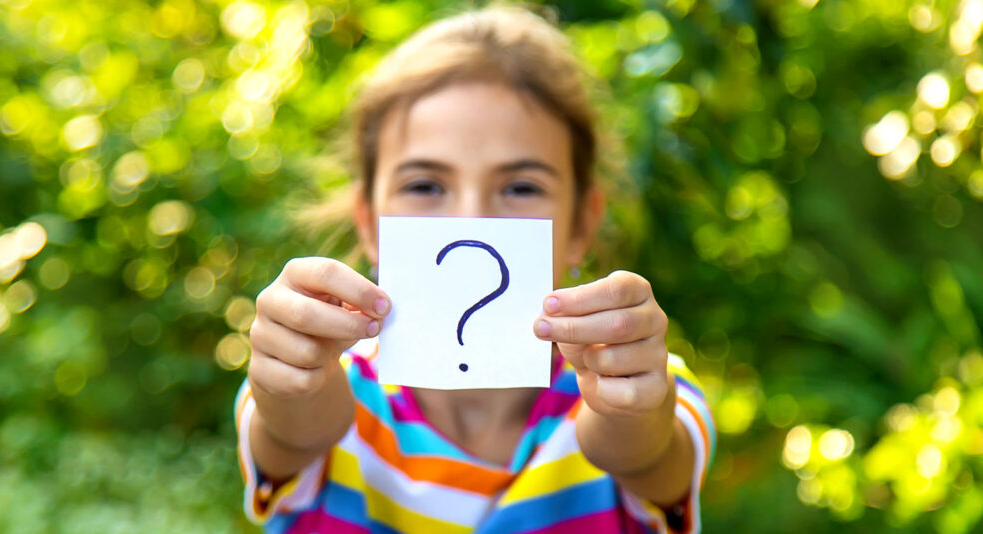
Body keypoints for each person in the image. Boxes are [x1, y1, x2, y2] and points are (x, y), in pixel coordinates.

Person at [234, 6, 716, 533]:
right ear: (368, 224)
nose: (470, 219)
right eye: (425, 186)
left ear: (582, 225)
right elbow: (295, 430)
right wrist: (294, 378)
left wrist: (634, 408)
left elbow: (647, 454)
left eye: (520, 187)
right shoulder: (323, 379)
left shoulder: (634, 379)